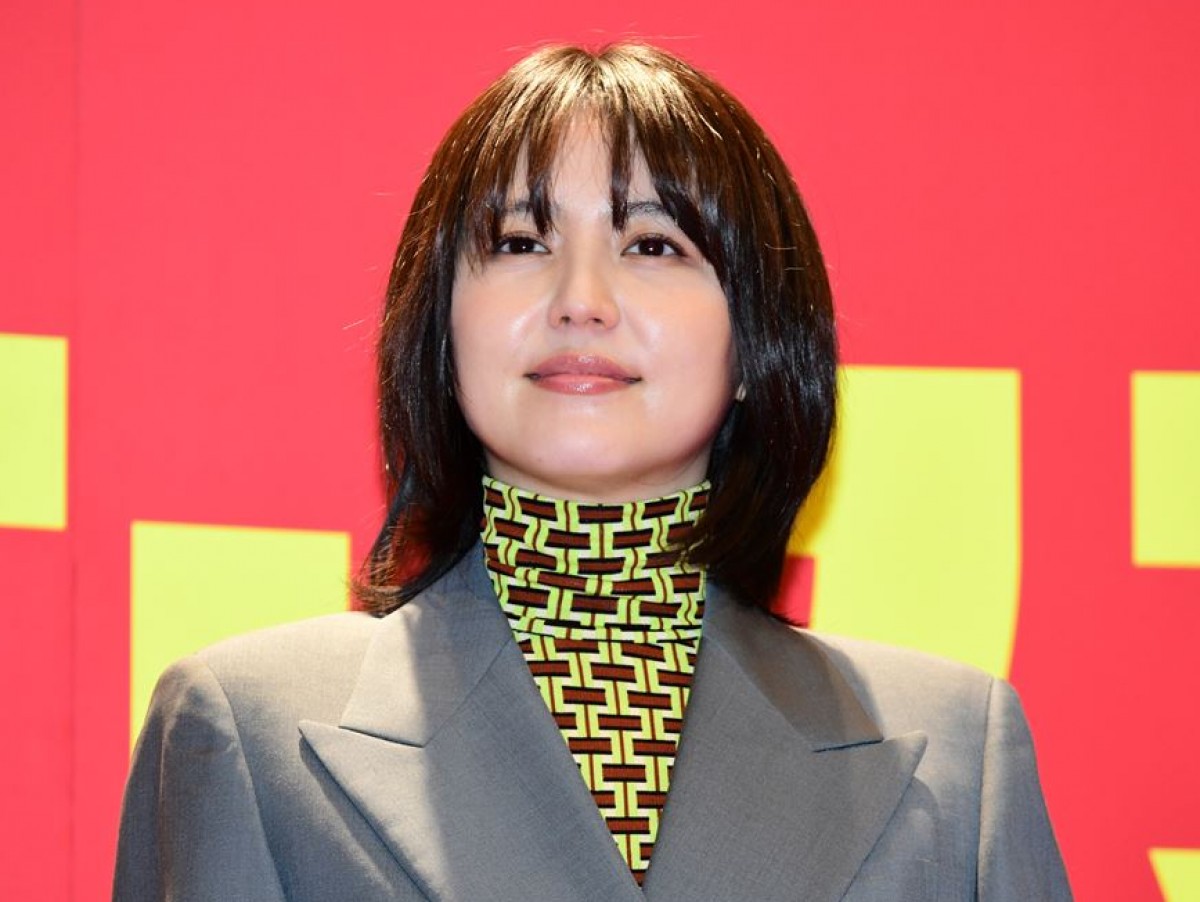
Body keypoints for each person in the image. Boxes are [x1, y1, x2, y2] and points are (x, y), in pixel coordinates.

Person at [113, 43, 1072, 901]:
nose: (580, 300)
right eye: (520, 243)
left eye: (653, 245)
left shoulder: (958, 757)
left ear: (756, 339)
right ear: (443, 330)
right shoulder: (249, 734)